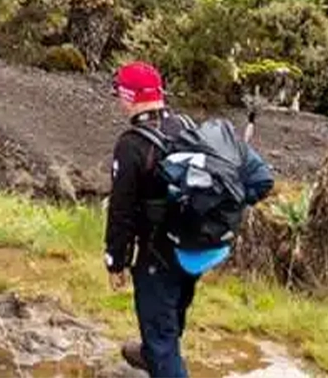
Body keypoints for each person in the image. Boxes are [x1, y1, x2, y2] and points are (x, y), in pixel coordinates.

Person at [106, 62, 274, 378]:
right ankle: (151, 353)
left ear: (130, 98)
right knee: (175, 306)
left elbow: (121, 212)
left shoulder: (131, 145)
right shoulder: (184, 125)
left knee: (160, 329)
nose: (118, 101)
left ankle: (160, 358)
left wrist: (116, 260)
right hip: (198, 246)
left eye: (120, 94)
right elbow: (259, 181)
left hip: (159, 252)